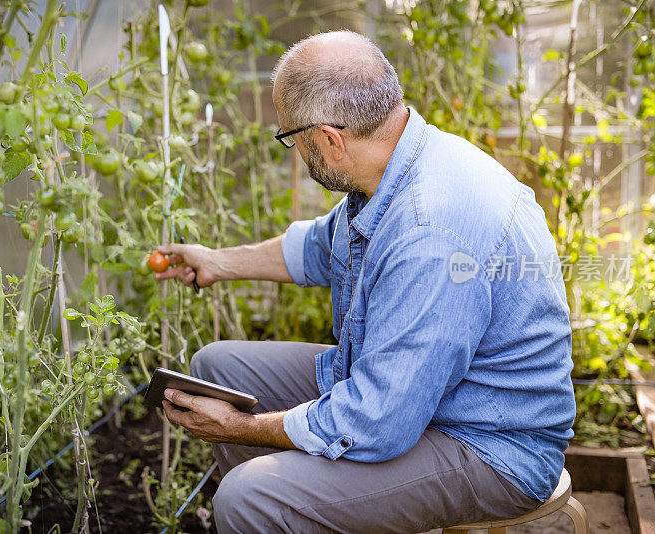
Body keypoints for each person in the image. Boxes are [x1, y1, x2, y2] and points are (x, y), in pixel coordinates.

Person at [154, 30, 575, 533]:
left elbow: (378, 420)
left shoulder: (430, 230)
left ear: (330, 139)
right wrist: (217, 262)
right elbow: (320, 246)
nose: (294, 152)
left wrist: (242, 429)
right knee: (219, 370)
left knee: (250, 498)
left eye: (291, 137)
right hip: (427, 395)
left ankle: (280, 511)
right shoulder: (396, 165)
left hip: (489, 443)